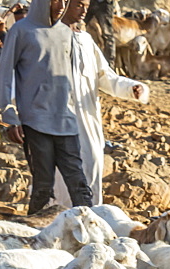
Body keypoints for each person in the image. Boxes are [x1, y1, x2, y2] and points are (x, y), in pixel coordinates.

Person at [0, 0, 93, 214]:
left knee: (79, 184)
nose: (61, 5)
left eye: (65, 0)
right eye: (56, 0)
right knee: (43, 186)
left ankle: (92, 235)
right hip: (35, 121)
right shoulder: (21, 31)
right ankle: (33, 235)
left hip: (66, 120)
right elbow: (4, 75)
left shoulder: (67, 33)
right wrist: (10, 116)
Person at [54, 0, 147, 207]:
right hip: (58, 120)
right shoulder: (48, 37)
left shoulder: (86, 40)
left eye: (86, 5)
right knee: (61, 179)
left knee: (92, 166)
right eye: (78, 4)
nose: (84, 9)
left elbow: (106, 77)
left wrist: (132, 88)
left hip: (88, 120)